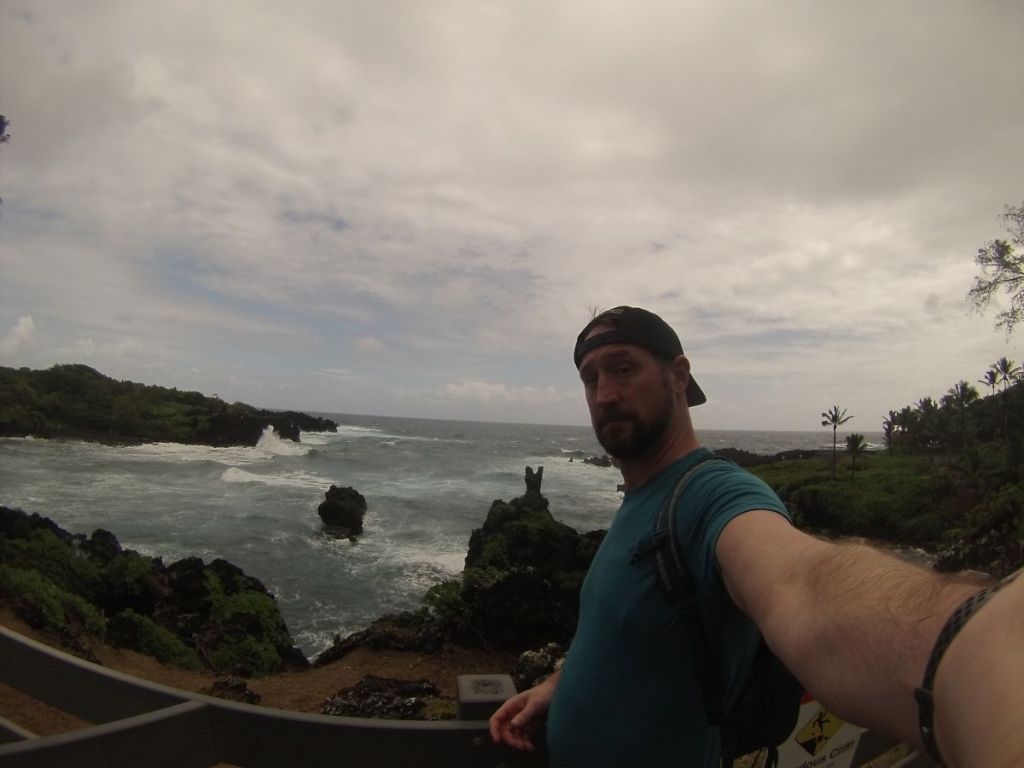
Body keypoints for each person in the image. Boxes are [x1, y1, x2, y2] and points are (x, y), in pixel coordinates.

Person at [490, 306, 1023, 767]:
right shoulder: (640, 500)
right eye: (590, 378)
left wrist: (973, 654)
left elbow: (803, 584)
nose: (605, 394)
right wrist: (558, 684)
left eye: (623, 368)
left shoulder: (713, 495)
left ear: (678, 376)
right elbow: (623, 633)